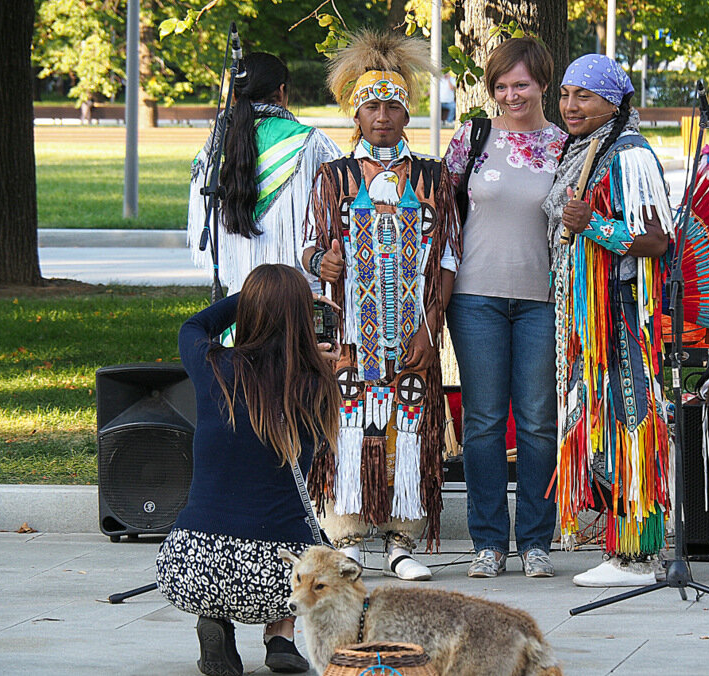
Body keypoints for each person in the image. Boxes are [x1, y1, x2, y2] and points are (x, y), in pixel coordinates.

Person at [300, 30, 461, 582]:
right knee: (350, 427)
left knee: (410, 427)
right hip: (352, 336)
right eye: (372, 106)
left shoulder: (433, 176)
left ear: (407, 112)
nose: (384, 116)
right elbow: (310, 245)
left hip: (412, 332)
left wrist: (429, 329)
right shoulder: (335, 177)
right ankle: (347, 539)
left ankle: (401, 540)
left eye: (393, 105)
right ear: (356, 113)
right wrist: (322, 260)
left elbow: (448, 259)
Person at [155, 264, 341, 676]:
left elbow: (195, 323)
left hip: (189, 565)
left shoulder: (211, 368)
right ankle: (281, 636)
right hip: (276, 584)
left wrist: (253, 299)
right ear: (300, 320)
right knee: (316, 549)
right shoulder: (313, 384)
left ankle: (215, 620)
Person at [542, 54, 675, 587]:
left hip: (622, 317)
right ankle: (625, 549)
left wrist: (593, 224)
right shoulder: (589, 150)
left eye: (586, 97)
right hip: (591, 322)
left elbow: (657, 240)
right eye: (567, 94)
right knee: (607, 421)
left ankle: (638, 555)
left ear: (613, 103)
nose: (571, 106)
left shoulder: (629, 156)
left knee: (631, 417)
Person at [442, 37, 567, 579]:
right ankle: (489, 542)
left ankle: (537, 540)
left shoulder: (567, 146)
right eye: (501, 86)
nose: (511, 94)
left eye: (521, 84)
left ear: (543, 83)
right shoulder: (472, 139)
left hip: (542, 300)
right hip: (475, 298)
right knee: (485, 422)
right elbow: (441, 217)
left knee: (539, 422)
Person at [187, 52, 341, 294]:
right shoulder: (310, 142)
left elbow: (201, 220)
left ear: (235, 95)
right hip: (294, 298)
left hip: (238, 305)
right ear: (281, 92)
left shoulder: (214, 149)